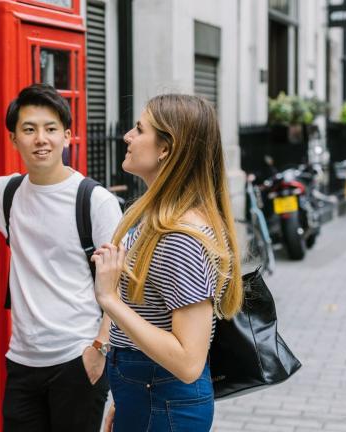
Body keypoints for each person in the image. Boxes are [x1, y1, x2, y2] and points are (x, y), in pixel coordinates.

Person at [0, 83, 123, 431]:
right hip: (22, 360)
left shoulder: (95, 201)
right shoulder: (7, 192)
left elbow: (121, 285)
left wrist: (100, 348)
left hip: (78, 358)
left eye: (51, 129)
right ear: (14, 139)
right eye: (29, 129)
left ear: (67, 137)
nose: (41, 139)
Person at [91, 94, 244, 432]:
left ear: (166, 149)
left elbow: (188, 361)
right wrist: (128, 397)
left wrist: (110, 301)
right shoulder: (154, 218)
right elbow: (152, 323)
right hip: (147, 395)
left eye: (139, 129)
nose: (127, 136)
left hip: (163, 403)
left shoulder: (180, 238)